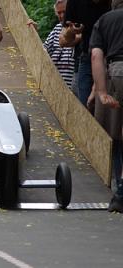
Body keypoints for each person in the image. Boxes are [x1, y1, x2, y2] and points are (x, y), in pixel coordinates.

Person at [89, 0, 123, 212]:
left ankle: (120, 190)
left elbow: (95, 56)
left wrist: (100, 91)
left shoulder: (104, 20)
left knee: (116, 135)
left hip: (117, 72)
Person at [59, 0, 110, 107]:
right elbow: (64, 40)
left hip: (111, 59)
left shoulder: (112, 3)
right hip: (87, 57)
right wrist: (71, 31)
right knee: (85, 105)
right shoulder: (75, 3)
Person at [27, 0, 76, 90]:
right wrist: (35, 35)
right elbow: (43, 53)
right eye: (59, 13)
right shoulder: (57, 29)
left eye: (64, 12)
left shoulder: (78, 28)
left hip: (71, 88)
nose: (61, 16)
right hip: (53, 87)